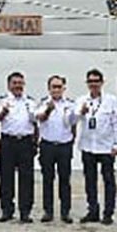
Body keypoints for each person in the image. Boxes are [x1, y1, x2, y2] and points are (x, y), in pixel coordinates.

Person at [76, 68, 117, 225]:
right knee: (90, 181)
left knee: (108, 180)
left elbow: (116, 123)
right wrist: (80, 112)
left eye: (96, 81)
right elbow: (73, 120)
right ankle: (93, 211)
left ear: (102, 82)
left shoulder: (111, 100)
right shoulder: (81, 100)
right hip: (88, 146)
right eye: (90, 81)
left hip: (106, 146)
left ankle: (108, 213)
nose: (93, 84)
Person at [0, 71, 38, 223]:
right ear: (9, 85)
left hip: (25, 142)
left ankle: (25, 211)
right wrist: (3, 112)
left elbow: (36, 124)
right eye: (15, 83)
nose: (18, 86)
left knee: (26, 178)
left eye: (20, 83)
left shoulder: (30, 102)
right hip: (8, 142)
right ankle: (7, 210)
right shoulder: (3, 101)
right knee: (6, 178)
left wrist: (35, 142)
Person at [36, 75, 77, 223]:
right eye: (54, 87)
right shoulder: (43, 103)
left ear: (64, 88)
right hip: (47, 145)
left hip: (64, 145)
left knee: (65, 179)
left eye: (59, 87)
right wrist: (48, 110)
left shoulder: (70, 104)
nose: (56, 90)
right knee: (48, 179)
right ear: (49, 88)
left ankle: (65, 212)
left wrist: (72, 140)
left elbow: (73, 124)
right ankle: (48, 211)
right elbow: (39, 118)